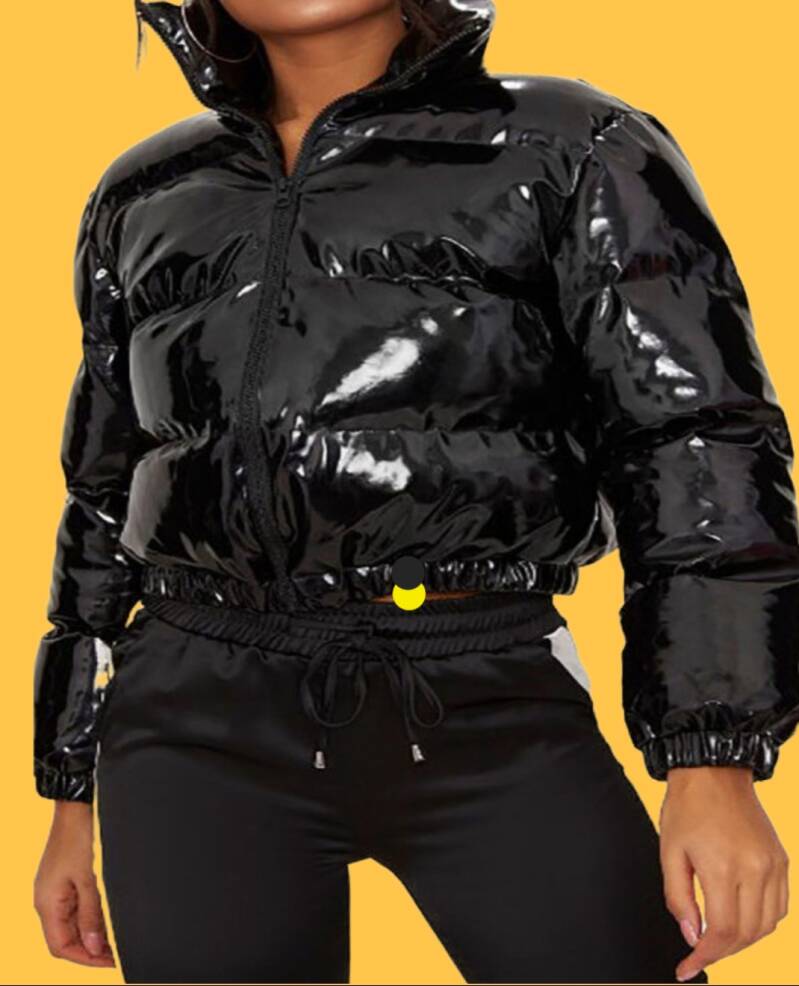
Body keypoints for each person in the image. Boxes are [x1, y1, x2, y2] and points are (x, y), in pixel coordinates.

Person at [32, 1, 798, 983]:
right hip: (190, 718)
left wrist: (711, 757)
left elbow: (695, 443)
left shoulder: (572, 145)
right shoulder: (145, 191)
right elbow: (103, 492)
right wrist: (72, 791)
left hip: (481, 691)